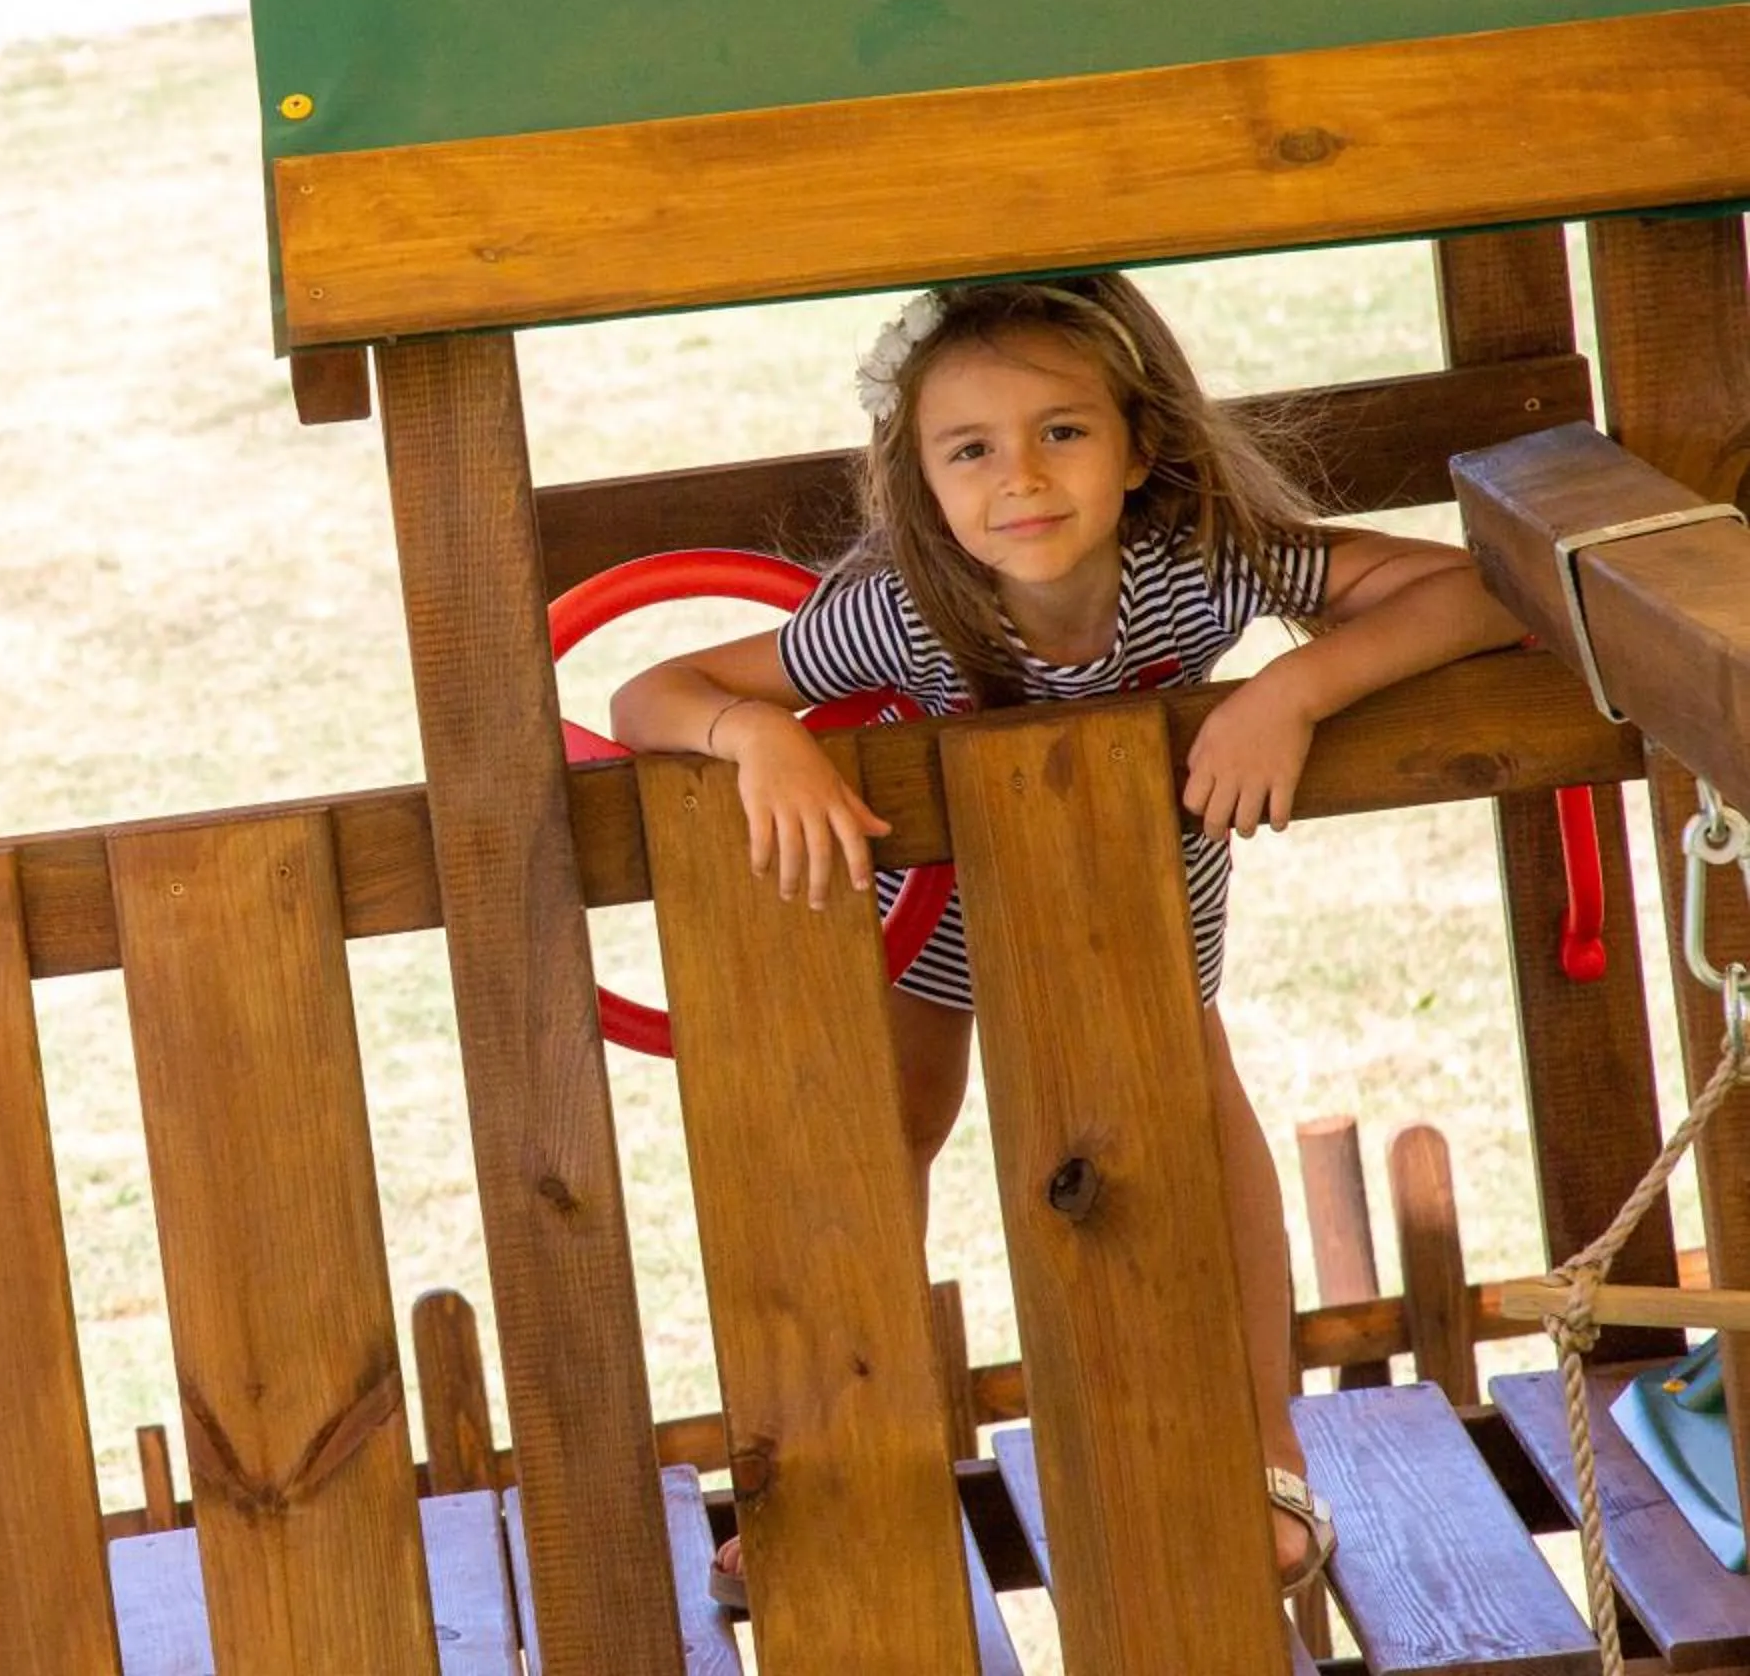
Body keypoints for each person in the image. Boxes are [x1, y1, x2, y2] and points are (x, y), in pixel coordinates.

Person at [610, 273, 1524, 1603]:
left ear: (1139, 445)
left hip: (1139, 925)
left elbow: (1485, 593)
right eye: (970, 450)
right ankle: (845, 1468)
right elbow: (652, 692)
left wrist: (1293, 686)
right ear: (921, 484)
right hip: (931, 926)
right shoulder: (903, 610)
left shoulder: (1199, 567)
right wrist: (755, 733)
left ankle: (1260, 1450)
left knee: (1204, 1139)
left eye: (1062, 433)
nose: (1020, 479)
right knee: (876, 1148)